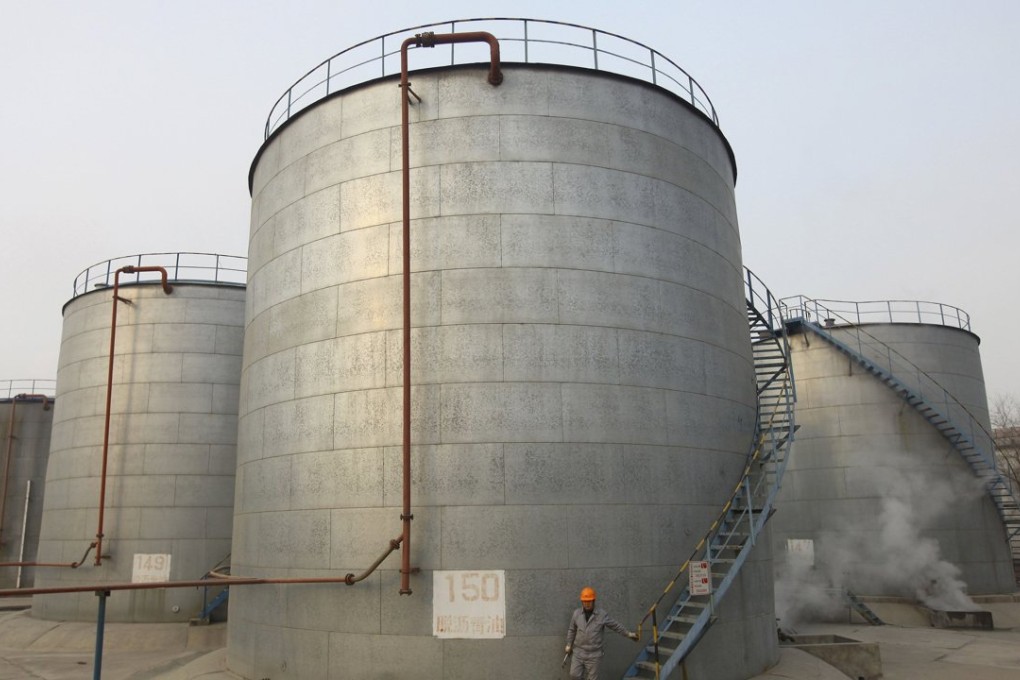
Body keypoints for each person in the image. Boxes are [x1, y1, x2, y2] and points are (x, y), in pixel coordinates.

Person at [564, 586, 639, 680]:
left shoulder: (601, 615)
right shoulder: (576, 614)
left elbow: (615, 626)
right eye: (584, 601)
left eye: (589, 601)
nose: (587, 604)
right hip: (579, 652)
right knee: (574, 675)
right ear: (582, 602)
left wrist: (628, 634)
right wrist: (569, 644)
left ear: (593, 601)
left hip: (594, 655)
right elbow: (572, 630)